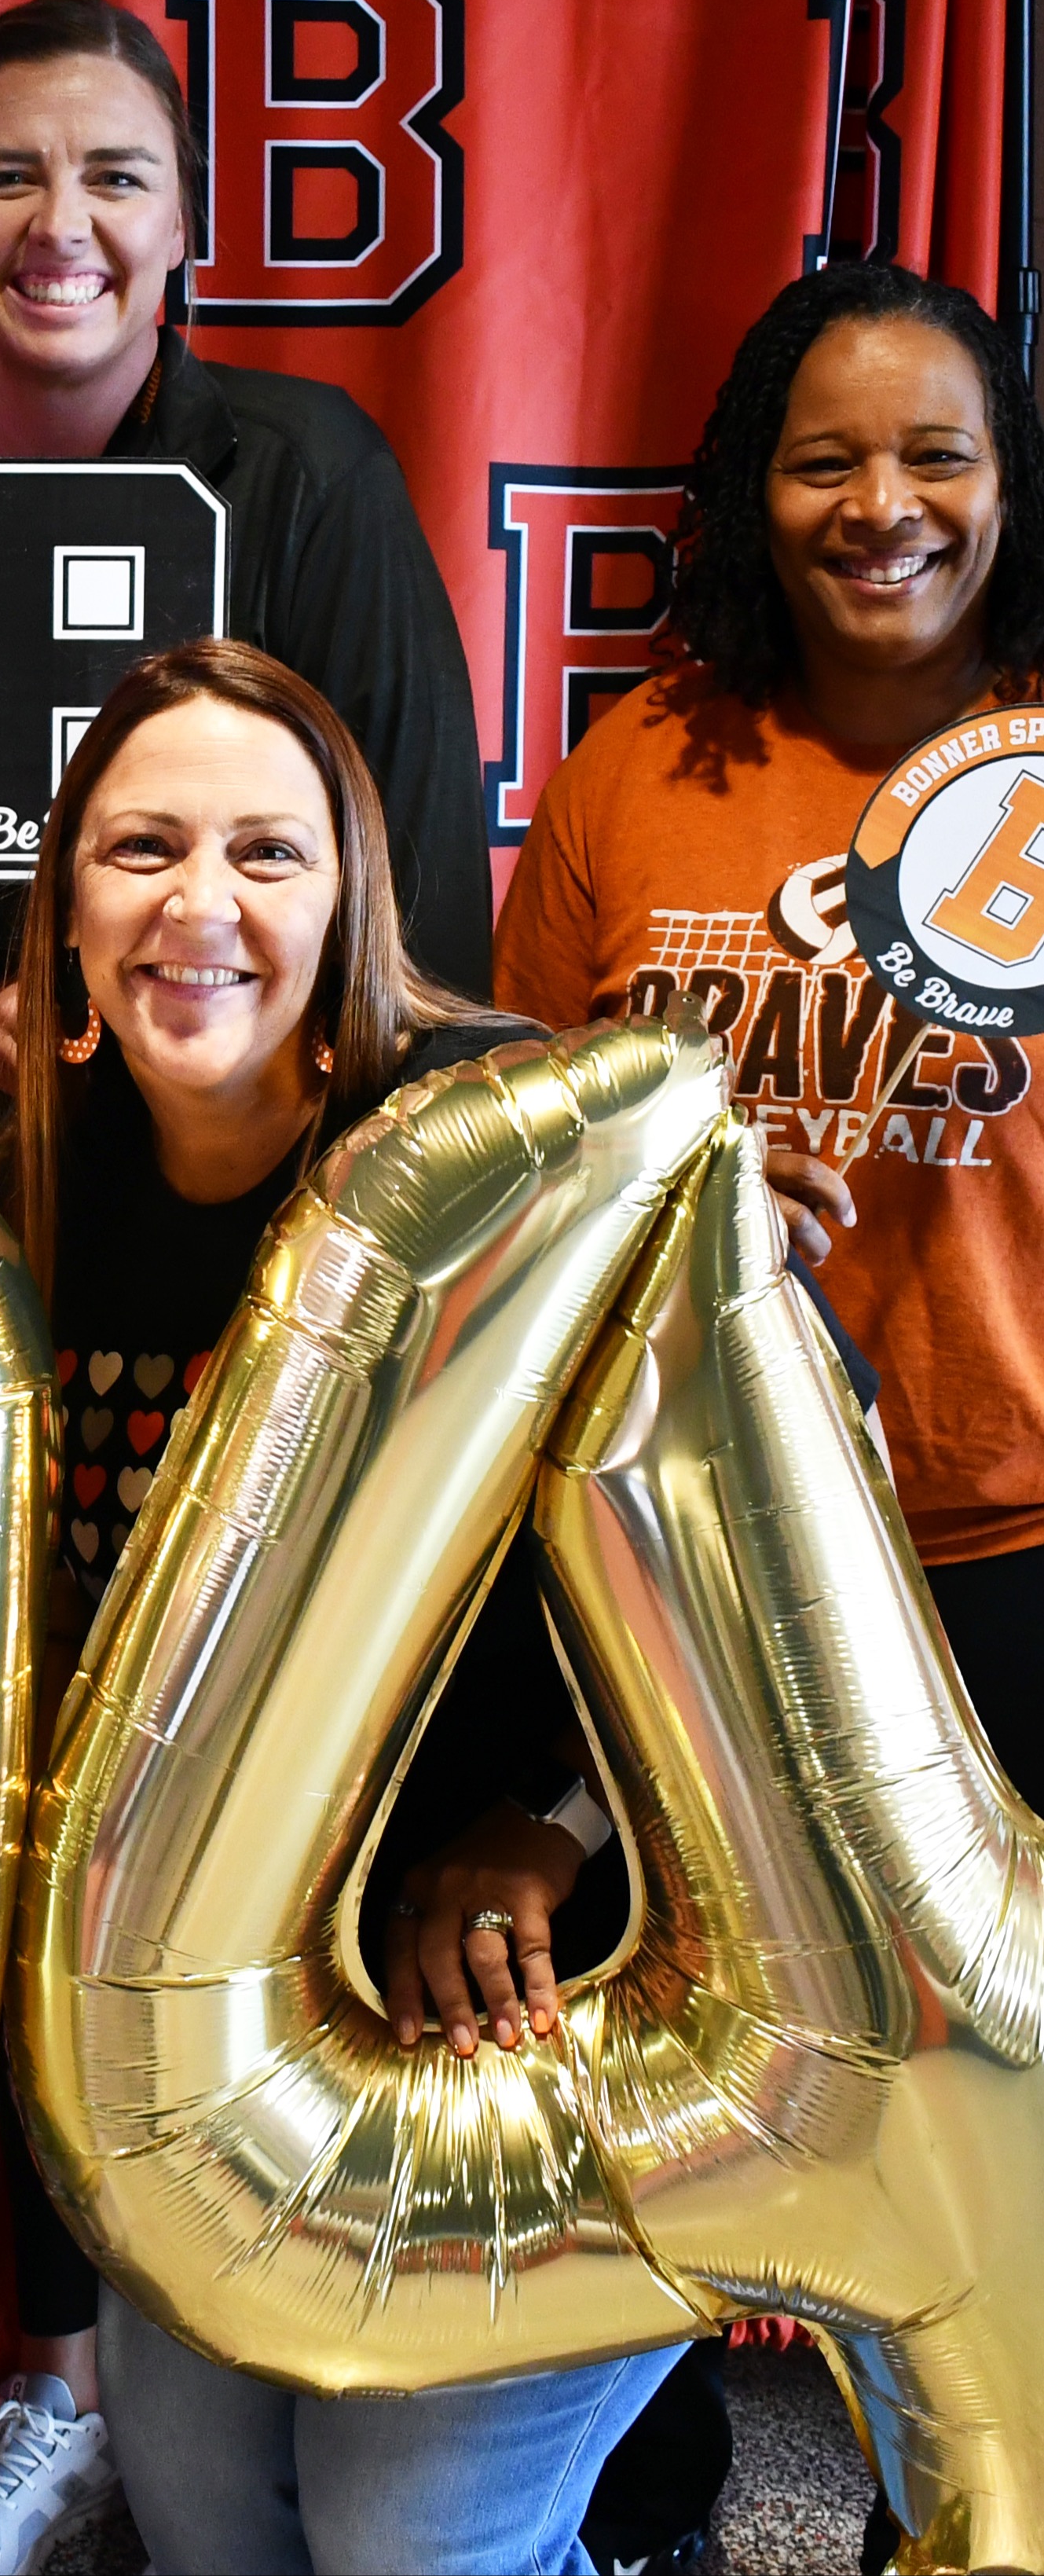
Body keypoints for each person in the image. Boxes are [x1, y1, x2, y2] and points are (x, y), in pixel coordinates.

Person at [0, 637, 677, 2576]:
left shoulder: (506, 1138)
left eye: (264, 851)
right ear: (60, 910)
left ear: (350, 902)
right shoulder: (15, 1207)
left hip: (562, 1992)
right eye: (139, 848)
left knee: (408, 2540)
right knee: (212, 2523)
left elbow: (800, 1511)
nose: (197, 904)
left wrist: (551, 1829)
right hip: (231, 2033)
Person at [493, 260, 1044, 2576]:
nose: (881, 505)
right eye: (828, 457)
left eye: (936, 455)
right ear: (753, 489)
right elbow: (515, 1145)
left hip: (1014, 1533)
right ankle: (658, 2498)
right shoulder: (641, 766)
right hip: (708, 1560)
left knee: (1007, 2113)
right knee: (686, 2070)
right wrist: (692, 1185)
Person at [0, 0, 493, 1156]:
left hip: (262, 1171)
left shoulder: (308, 477)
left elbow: (418, 904)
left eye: (117, 178)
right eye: (2, 178)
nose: (59, 224)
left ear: (183, 218)